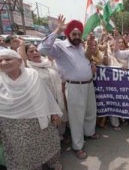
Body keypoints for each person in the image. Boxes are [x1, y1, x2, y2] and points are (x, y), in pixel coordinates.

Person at [38, 15, 98, 159]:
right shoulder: (60, 45)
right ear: (68, 34)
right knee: (76, 118)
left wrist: (91, 64)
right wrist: (58, 30)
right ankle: (78, 146)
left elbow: (85, 59)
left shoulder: (80, 46)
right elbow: (42, 49)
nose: (77, 36)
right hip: (74, 87)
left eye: (79, 34)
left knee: (90, 112)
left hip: (89, 84)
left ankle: (89, 133)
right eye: (74, 34)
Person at [0, 49, 63, 170]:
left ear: (19, 61)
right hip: (12, 125)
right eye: (0, 60)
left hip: (37, 119)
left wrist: (54, 113)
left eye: (8, 59)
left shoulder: (32, 75)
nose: (3, 63)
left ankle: (54, 163)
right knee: (23, 151)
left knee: (48, 144)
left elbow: (46, 95)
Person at [17, 41, 68, 141]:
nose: (35, 53)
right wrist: (21, 45)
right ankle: (53, 141)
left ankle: (61, 136)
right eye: (31, 51)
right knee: (49, 121)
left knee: (60, 116)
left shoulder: (47, 63)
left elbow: (58, 76)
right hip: (43, 100)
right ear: (26, 55)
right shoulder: (27, 67)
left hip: (57, 96)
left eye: (36, 50)